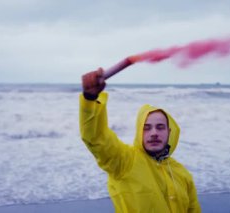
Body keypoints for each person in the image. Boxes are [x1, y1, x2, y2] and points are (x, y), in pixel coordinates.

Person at [79, 68, 201, 212]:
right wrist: (90, 99)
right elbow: (96, 138)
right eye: (147, 128)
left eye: (160, 127)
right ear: (139, 132)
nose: (154, 133)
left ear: (169, 132)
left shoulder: (182, 173)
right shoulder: (124, 162)